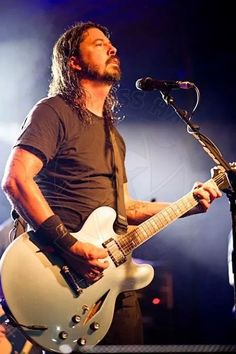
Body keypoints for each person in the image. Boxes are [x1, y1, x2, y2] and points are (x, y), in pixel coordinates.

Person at [1, 21, 222, 351]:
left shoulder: (113, 137)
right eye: (99, 44)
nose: (113, 48)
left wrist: (190, 203)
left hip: (113, 287)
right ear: (73, 61)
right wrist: (70, 247)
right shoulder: (53, 112)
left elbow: (127, 209)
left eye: (111, 43)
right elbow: (16, 180)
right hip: (62, 272)